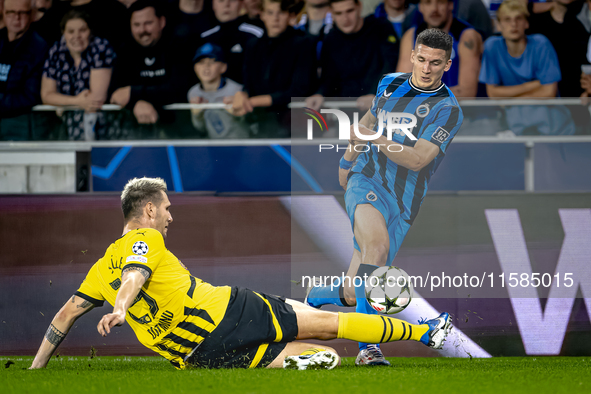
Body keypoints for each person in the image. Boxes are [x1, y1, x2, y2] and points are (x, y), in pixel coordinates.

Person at [29, 177, 453, 370]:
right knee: (330, 327)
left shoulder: (99, 268)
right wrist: (121, 308)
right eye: (167, 208)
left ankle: (301, 357)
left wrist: (36, 368)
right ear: (148, 211)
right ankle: (426, 332)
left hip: (199, 356)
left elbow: (66, 315)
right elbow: (135, 276)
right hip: (227, 311)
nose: (170, 217)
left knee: (323, 357)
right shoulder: (145, 240)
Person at [305, 29, 463, 366]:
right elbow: (367, 121)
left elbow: (419, 159)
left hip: (404, 203)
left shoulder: (448, 110)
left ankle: (316, 297)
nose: (426, 67)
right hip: (367, 180)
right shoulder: (389, 83)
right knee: (376, 249)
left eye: (435, 62)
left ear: (447, 64)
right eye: (421, 59)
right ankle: (368, 348)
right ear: (412, 57)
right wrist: (348, 160)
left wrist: (374, 136)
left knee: (355, 289)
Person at [479, 0, 574, 135]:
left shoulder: (541, 43)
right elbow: (493, 94)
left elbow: (549, 93)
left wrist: (509, 100)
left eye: (518, 18)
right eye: (507, 19)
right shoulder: (492, 46)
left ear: (526, 23)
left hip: (554, 127)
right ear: (498, 25)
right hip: (516, 126)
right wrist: (535, 85)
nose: (513, 24)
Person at [232, 0, 317, 136]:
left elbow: (300, 89)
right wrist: (242, 94)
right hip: (260, 122)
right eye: (270, 13)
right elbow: (248, 84)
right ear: (262, 15)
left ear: (289, 15)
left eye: (281, 13)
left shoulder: (304, 43)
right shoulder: (253, 45)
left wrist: (254, 101)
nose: (275, 18)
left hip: (293, 123)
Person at [109, 0, 193, 127]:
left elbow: (180, 90)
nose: (142, 30)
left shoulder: (178, 45)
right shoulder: (125, 51)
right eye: (136, 25)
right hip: (137, 132)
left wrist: (133, 93)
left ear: (162, 22)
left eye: (148, 23)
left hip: (179, 129)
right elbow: (115, 94)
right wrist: (136, 103)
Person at [306, 0, 400, 112]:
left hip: (381, 108)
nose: (345, 19)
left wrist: (376, 94)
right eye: (338, 13)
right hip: (346, 112)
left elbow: (391, 65)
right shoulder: (331, 39)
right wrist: (320, 94)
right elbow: (329, 78)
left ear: (359, 7)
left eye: (349, 11)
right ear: (331, 13)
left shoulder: (381, 28)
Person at [40, 10, 115, 140]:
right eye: (71, 31)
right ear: (63, 32)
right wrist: (77, 101)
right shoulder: (56, 51)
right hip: (67, 129)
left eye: (82, 30)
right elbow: (46, 95)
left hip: (104, 128)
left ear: (90, 31)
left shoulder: (101, 47)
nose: (77, 36)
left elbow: (94, 100)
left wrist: (62, 102)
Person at [397, 0, 482, 98]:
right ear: (421, 7)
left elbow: (467, 93)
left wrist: (422, 97)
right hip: (422, 110)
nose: (434, 9)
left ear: (450, 5)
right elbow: (402, 88)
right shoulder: (411, 36)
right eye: (428, 2)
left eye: (440, 2)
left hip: (460, 110)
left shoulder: (467, 36)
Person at [0, 0, 48, 140]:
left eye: (22, 12)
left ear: (32, 14)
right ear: (3, 12)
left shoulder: (39, 47)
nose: (16, 18)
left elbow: (31, 95)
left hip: (20, 122)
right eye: (11, 12)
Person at [527, 0, 589, 97]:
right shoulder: (535, 23)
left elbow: (585, 64)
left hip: (574, 93)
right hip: (542, 90)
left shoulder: (580, 24)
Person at [188, 43, 247, 138]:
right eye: (201, 62)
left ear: (223, 67)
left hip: (241, 146)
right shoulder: (193, 92)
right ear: (195, 67)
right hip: (214, 147)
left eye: (212, 61)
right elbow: (201, 128)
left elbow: (251, 123)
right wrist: (197, 115)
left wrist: (239, 114)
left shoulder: (237, 90)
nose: (206, 66)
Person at [199, 0, 264, 83]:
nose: (226, 5)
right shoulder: (204, 38)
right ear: (213, 5)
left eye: (232, 0)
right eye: (221, 1)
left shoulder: (256, 34)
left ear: (241, 5)